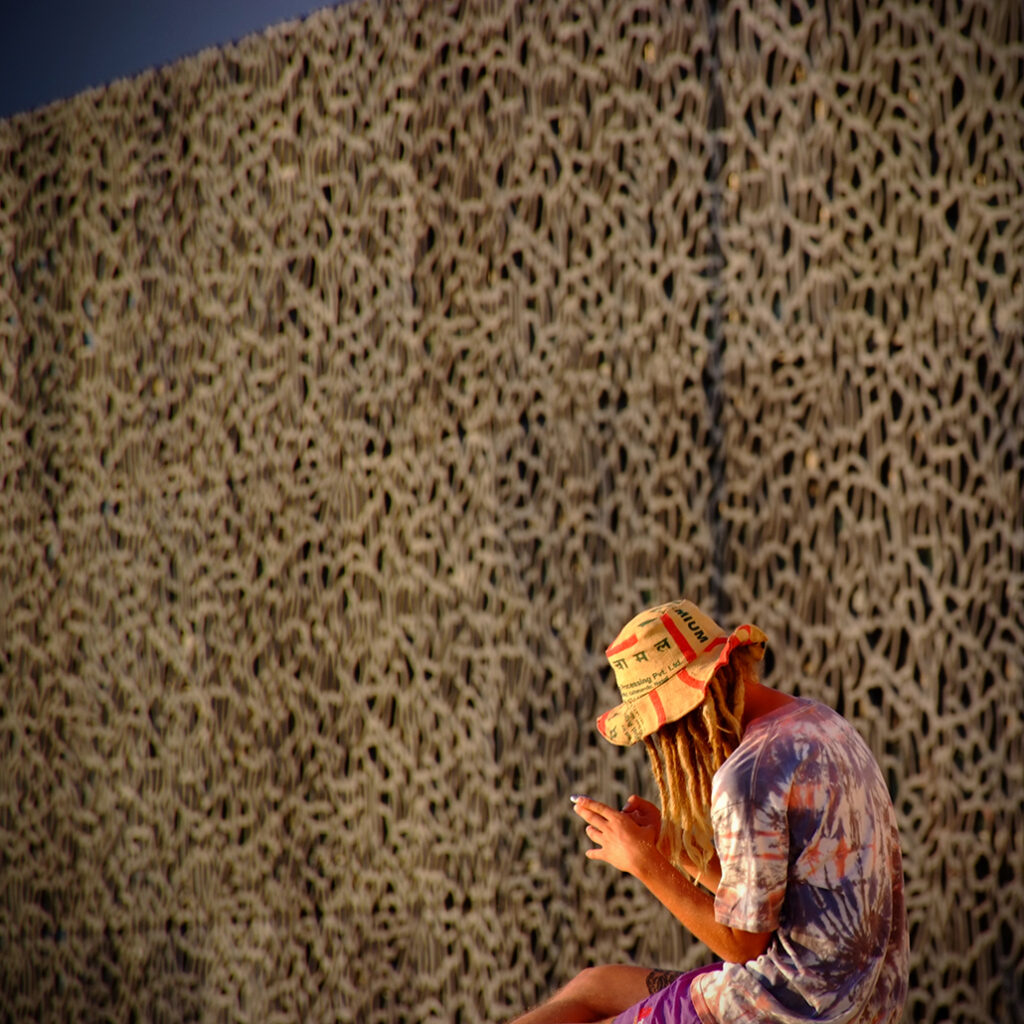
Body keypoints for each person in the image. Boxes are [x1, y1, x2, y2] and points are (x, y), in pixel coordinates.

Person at [509, 599, 909, 1024]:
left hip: (786, 1008)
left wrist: (645, 863)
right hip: (861, 998)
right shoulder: (820, 723)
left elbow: (742, 945)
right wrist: (669, 844)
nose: (660, 747)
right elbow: (768, 904)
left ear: (682, 711)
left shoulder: (748, 776)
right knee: (593, 985)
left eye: (659, 732)